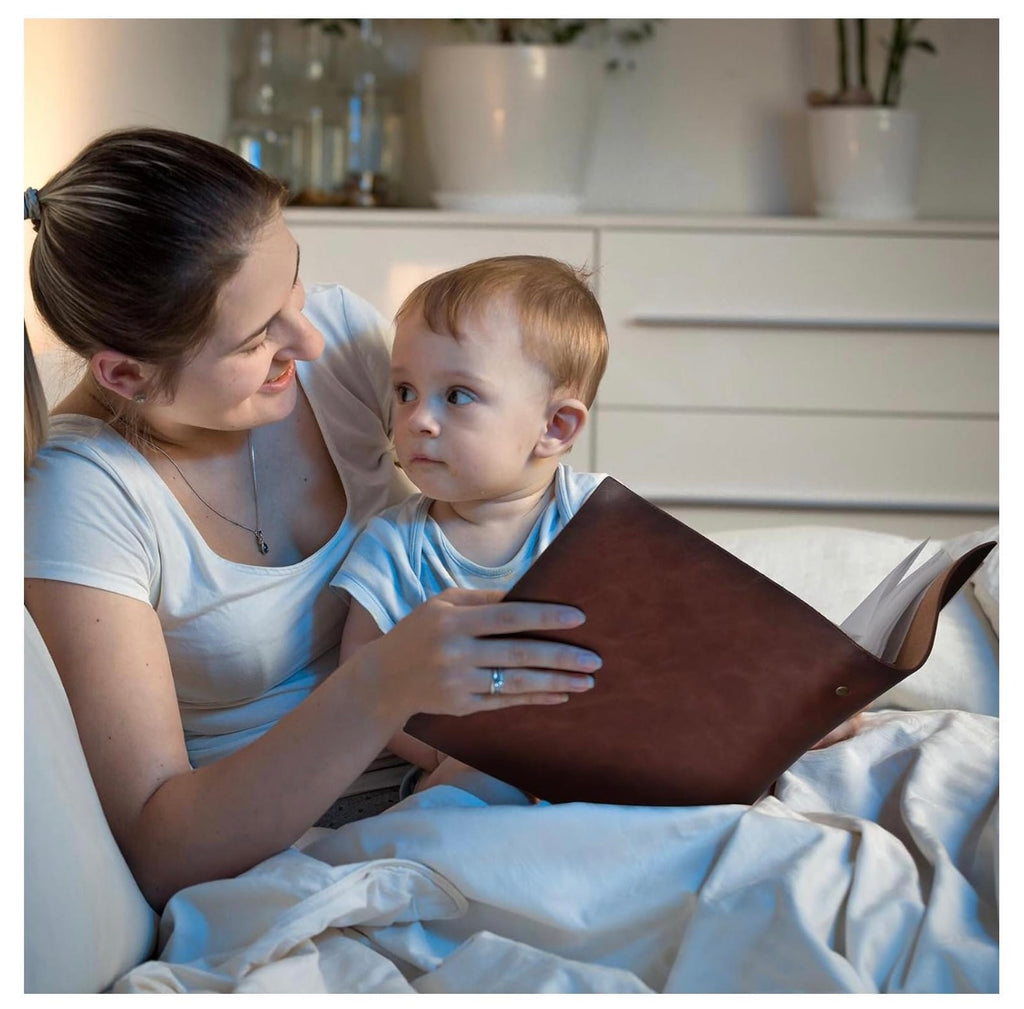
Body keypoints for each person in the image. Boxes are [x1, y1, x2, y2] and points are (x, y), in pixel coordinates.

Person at [23, 128, 601, 911]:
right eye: (260, 337)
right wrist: (384, 682)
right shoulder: (82, 495)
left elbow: (499, 492)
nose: (312, 338)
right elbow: (162, 853)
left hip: (468, 786)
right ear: (126, 373)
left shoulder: (341, 349)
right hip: (299, 857)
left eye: (293, 285)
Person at [332, 256, 609, 789]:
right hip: (465, 775)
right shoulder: (394, 546)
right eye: (405, 391)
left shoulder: (594, 516)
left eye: (457, 396)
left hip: (596, 757)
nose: (418, 421)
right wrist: (444, 760)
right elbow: (363, 679)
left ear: (555, 426)